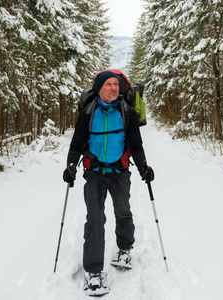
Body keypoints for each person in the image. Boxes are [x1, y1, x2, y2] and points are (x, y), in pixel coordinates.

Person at [63, 70, 154, 295]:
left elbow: (136, 144)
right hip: (94, 172)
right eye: (109, 85)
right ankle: (94, 272)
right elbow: (76, 144)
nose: (114, 88)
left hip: (120, 170)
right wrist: (71, 166)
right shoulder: (88, 113)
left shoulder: (127, 113)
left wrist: (143, 166)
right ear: (99, 88)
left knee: (122, 210)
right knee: (95, 217)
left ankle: (124, 248)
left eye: (116, 84)